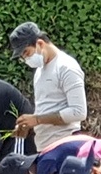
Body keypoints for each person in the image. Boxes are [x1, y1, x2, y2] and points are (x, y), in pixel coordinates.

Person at [8, 22, 87, 150]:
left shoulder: (66, 67)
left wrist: (37, 120)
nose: (26, 60)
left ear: (40, 43)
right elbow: (46, 107)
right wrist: (29, 124)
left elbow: (78, 112)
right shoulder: (40, 70)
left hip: (64, 143)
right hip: (44, 146)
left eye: (27, 53)